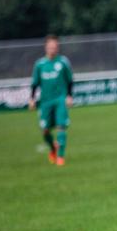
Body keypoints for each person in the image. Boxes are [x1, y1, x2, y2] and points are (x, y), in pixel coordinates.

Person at [29, 35, 73, 166]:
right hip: (45, 102)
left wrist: (69, 96)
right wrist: (32, 99)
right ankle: (53, 148)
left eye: (54, 47)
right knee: (45, 130)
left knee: (61, 126)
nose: (52, 49)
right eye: (50, 47)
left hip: (60, 99)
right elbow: (35, 83)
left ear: (58, 48)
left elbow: (70, 81)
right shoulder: (40, 64)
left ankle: (60, 157)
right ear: (46, 48)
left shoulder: (63, 62)